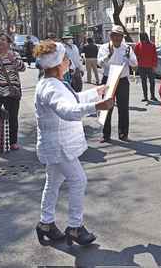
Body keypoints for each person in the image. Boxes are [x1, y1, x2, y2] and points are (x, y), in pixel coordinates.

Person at [33, 40, 114, 246]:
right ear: (59, 63)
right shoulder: (51, 87)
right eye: (66, 58)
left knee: (53, 183)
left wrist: (96, 92)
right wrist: (97, 105)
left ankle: (46, 224)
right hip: (59, 147)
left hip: (56, 146)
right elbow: (67, 110)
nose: (69, 61)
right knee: (79, 180)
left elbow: (73, 99)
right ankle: (75, 227)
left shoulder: (53, 83)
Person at [97, 25, 138, 142]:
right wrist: (108, 55)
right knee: (106, 107)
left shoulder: (127, 48)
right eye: (114, 36)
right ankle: (106, 135)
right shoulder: (105, 47)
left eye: (119, 36)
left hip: (123, 80)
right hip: (108, 79)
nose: (116, 38)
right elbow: (100, 63)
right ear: (110, 36)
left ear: (122, 37)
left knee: (123, 108)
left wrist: (129, 58)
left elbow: (135, 64)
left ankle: (123, 134)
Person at [134, 32, 158, 102]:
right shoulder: (138, 45)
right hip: (142, 66)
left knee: (152, 82)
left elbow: (155, 56)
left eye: (143, 37)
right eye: (142, 37)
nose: (143, 39)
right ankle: (146, 97)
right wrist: (136, 63)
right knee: (144, 82)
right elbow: (135, 56)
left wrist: (154, 65)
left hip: (150, 67)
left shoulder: (152, 45)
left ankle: (152, 96)